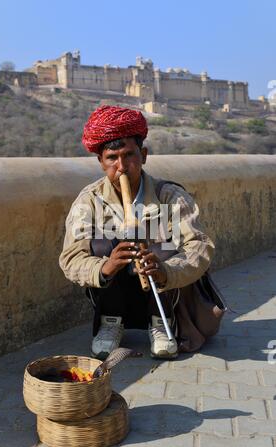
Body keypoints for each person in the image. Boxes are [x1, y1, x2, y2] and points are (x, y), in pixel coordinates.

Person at [59, 105, 225, 360]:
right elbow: (71, 258)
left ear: (144, 155)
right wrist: (105, 267)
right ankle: (110, 323)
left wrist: (165, 271)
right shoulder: (89, 200)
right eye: (112, 158)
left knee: (162, 246)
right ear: (101, 162)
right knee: (102, 246)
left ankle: (161, 323)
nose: (122, 166)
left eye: (129, 155)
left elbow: (199, 248)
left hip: (161, 289)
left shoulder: (169, 195)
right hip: (116, 290)